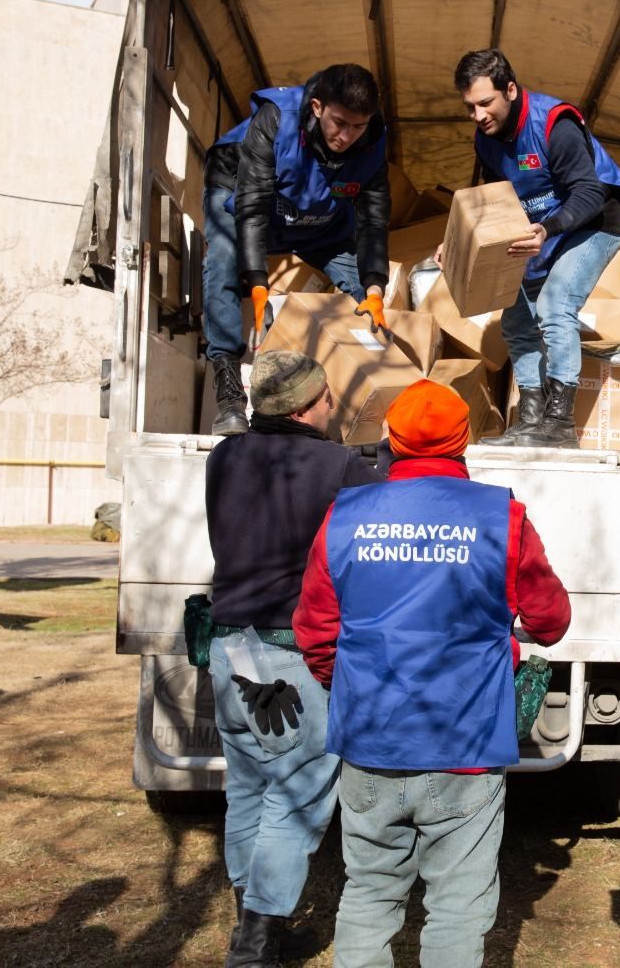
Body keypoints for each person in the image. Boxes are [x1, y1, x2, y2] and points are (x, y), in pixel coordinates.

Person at [292, 379, 572, 967]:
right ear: (465, 440)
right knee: (459, 904)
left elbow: (316, 628)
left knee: (369, 891)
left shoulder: (345, 515)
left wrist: (341, 684)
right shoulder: (504, 515)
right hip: (466, 740)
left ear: (389, 439)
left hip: (370, 735)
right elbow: (550, 620)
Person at [204, 350, 381, 967]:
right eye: (328, 395)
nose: (334, 405)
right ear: (309, 404)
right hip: (291, 658)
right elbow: (364, 561)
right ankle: (253, 946)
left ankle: (258, 929)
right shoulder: (340, 466)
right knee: (299, 794)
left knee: (248, 788)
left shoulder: (224, 456)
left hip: (230, 650)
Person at [447, 48, 620, 448]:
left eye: (485, 103)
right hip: (540, 228)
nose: (478, 116)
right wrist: (457, 244)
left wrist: (547, 230)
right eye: (470, 107)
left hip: (593, 222)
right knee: (514, 319)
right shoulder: (487, 138)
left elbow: (588, 192)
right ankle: (530, 418)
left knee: (554, 306)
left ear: (510, 89)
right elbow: (493, 200)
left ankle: (559, 424)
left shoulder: (553, 124)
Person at [203, 63, 393, 436]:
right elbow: (253, 207)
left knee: (369, 298)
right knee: (223, 258)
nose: (347, 136)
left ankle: (381, 396)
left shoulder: (371, 140)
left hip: (312, 215)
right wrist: (258, 283)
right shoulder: (277, 120)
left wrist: (374, 287)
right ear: (318, 107)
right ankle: (228, 396)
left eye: (358, 126)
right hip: (241, 192)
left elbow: (373, 219)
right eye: (340, 122)